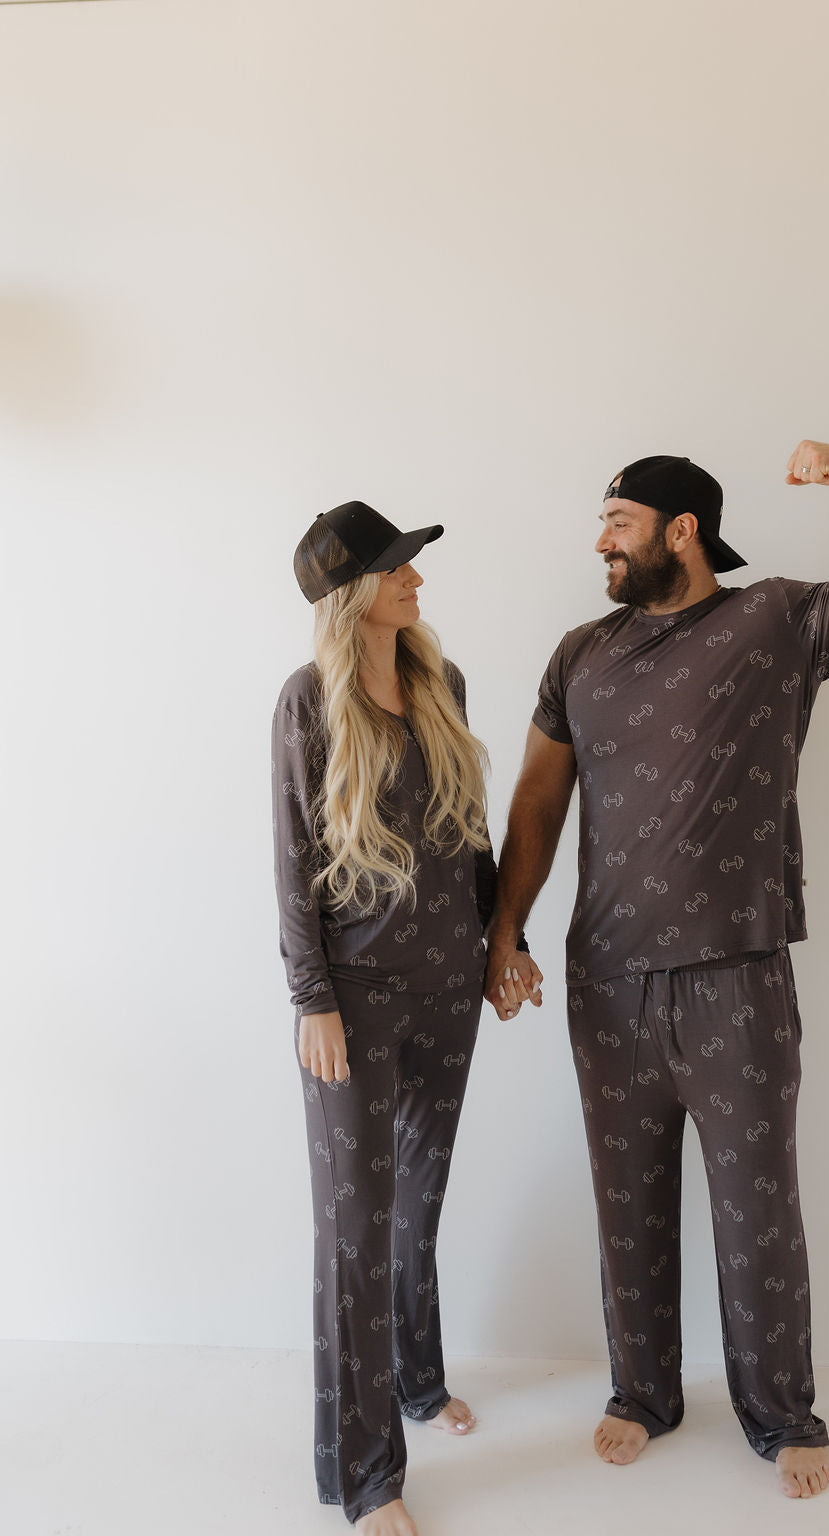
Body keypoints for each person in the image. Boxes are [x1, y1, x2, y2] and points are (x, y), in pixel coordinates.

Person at [484, 441, 829, 1500]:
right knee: (627, 1203)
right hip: (605, 981)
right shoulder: (579, 654)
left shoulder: (775, 622)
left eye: (616, 520)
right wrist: (502, 931)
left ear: (679, 530)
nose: (599, 540)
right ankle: (642, 1394)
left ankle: (781, 1410)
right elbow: (534, 801)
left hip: (736, 976)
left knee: (757, 1208)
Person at [272, 500, 507, 1535]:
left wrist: (504, 943)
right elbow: (290, 860)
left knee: (418, 1206)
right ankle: (366, 1475)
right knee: (356, 1234)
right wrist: (310, 997)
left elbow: (468, 831)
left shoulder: (440, 684)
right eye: (399, 568)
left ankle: (418, 1381)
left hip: (449, 987)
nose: (417, 579)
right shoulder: (306, 703)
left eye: (412, 563)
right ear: (351, 594)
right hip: (354, 1003)